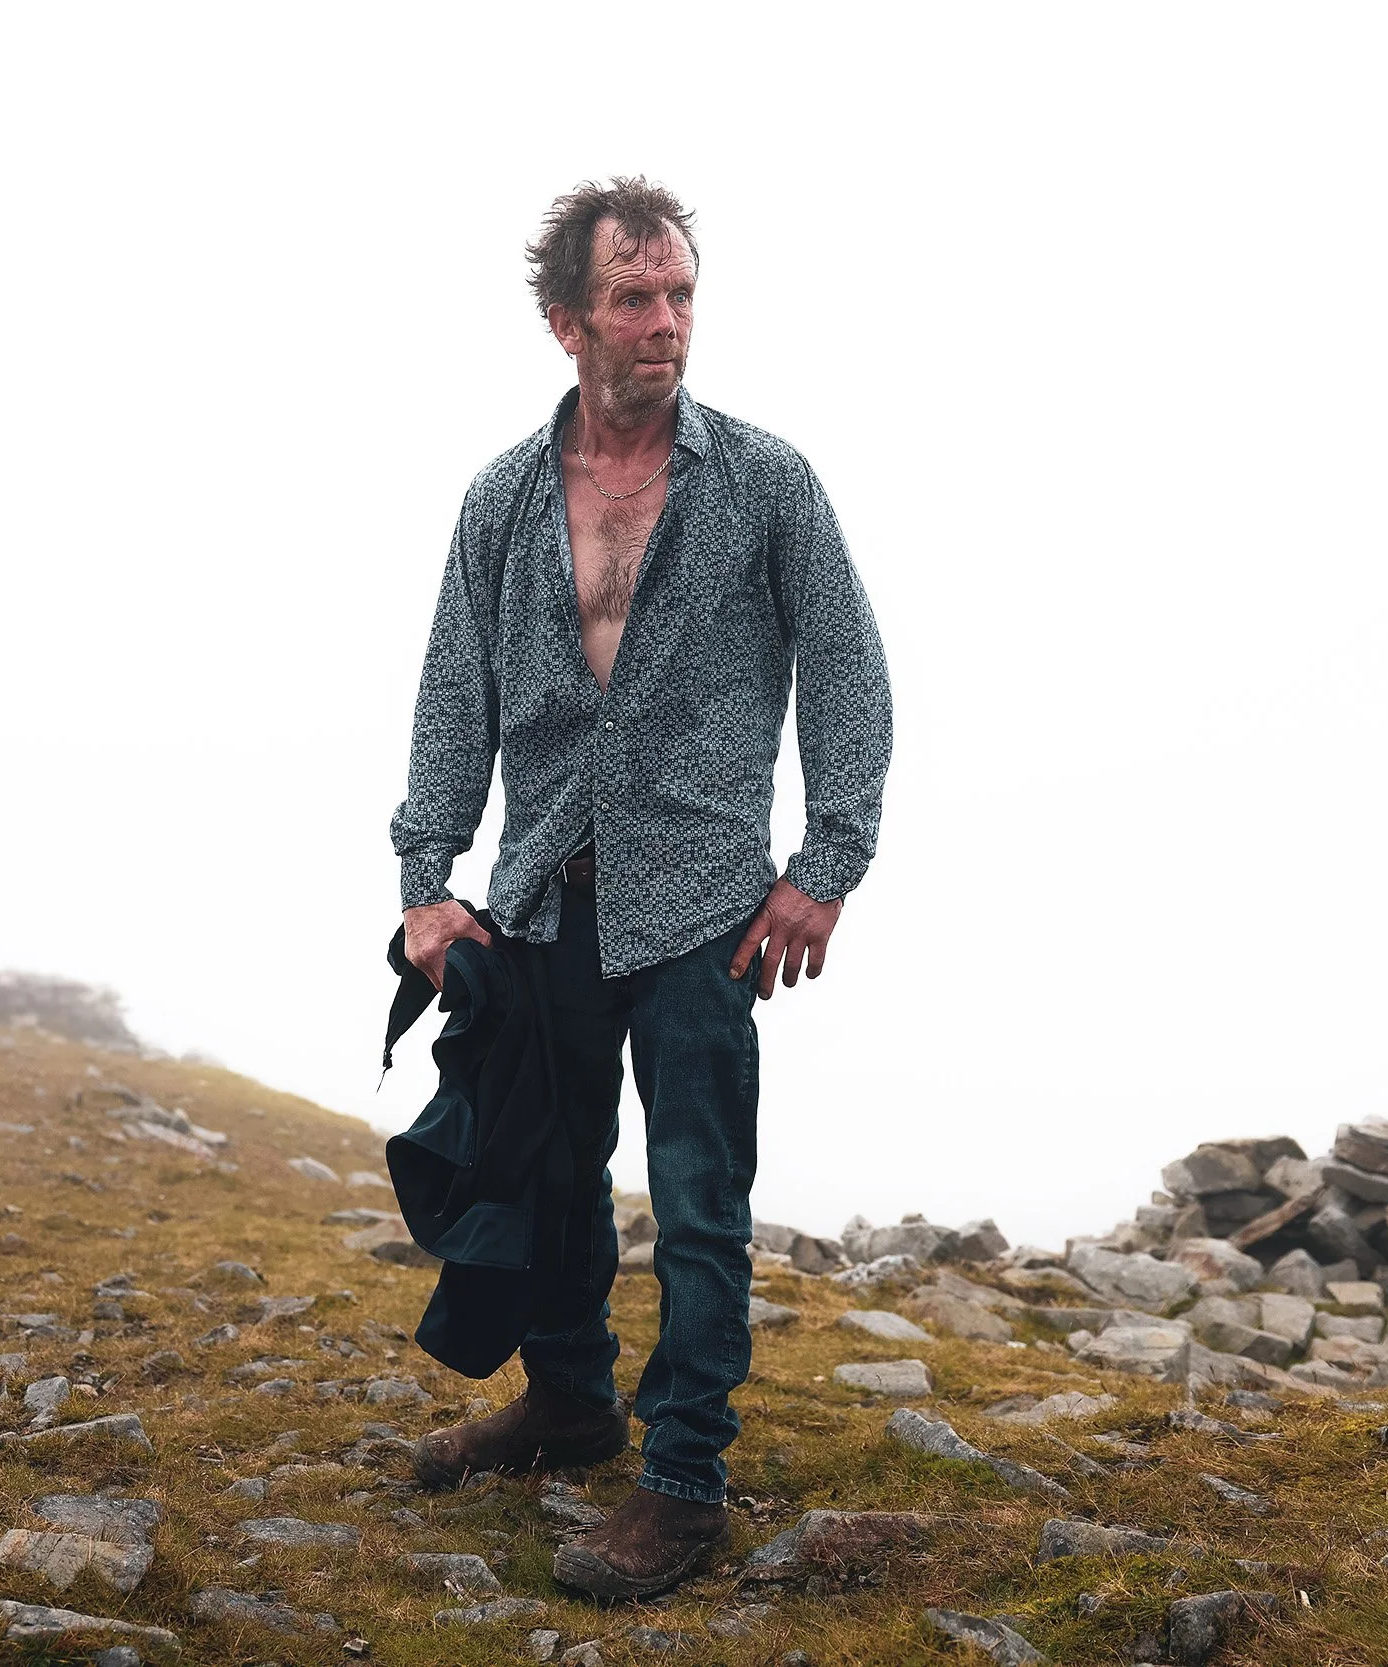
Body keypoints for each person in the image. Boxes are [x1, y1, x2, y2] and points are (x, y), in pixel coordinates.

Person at [389, 179, 893, 1601]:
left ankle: (682, 1478)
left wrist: (825, 866)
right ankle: (568, 1404)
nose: (665, 321)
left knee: (697, 1199)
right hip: (544, 891)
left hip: (702, 908)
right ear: (569, 321)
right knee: (548, 1179)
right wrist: (429, 881)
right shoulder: (501, 497)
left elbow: (850, 674)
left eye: (679, 295)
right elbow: (452, 697)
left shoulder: (764, 480)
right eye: (634, 297)